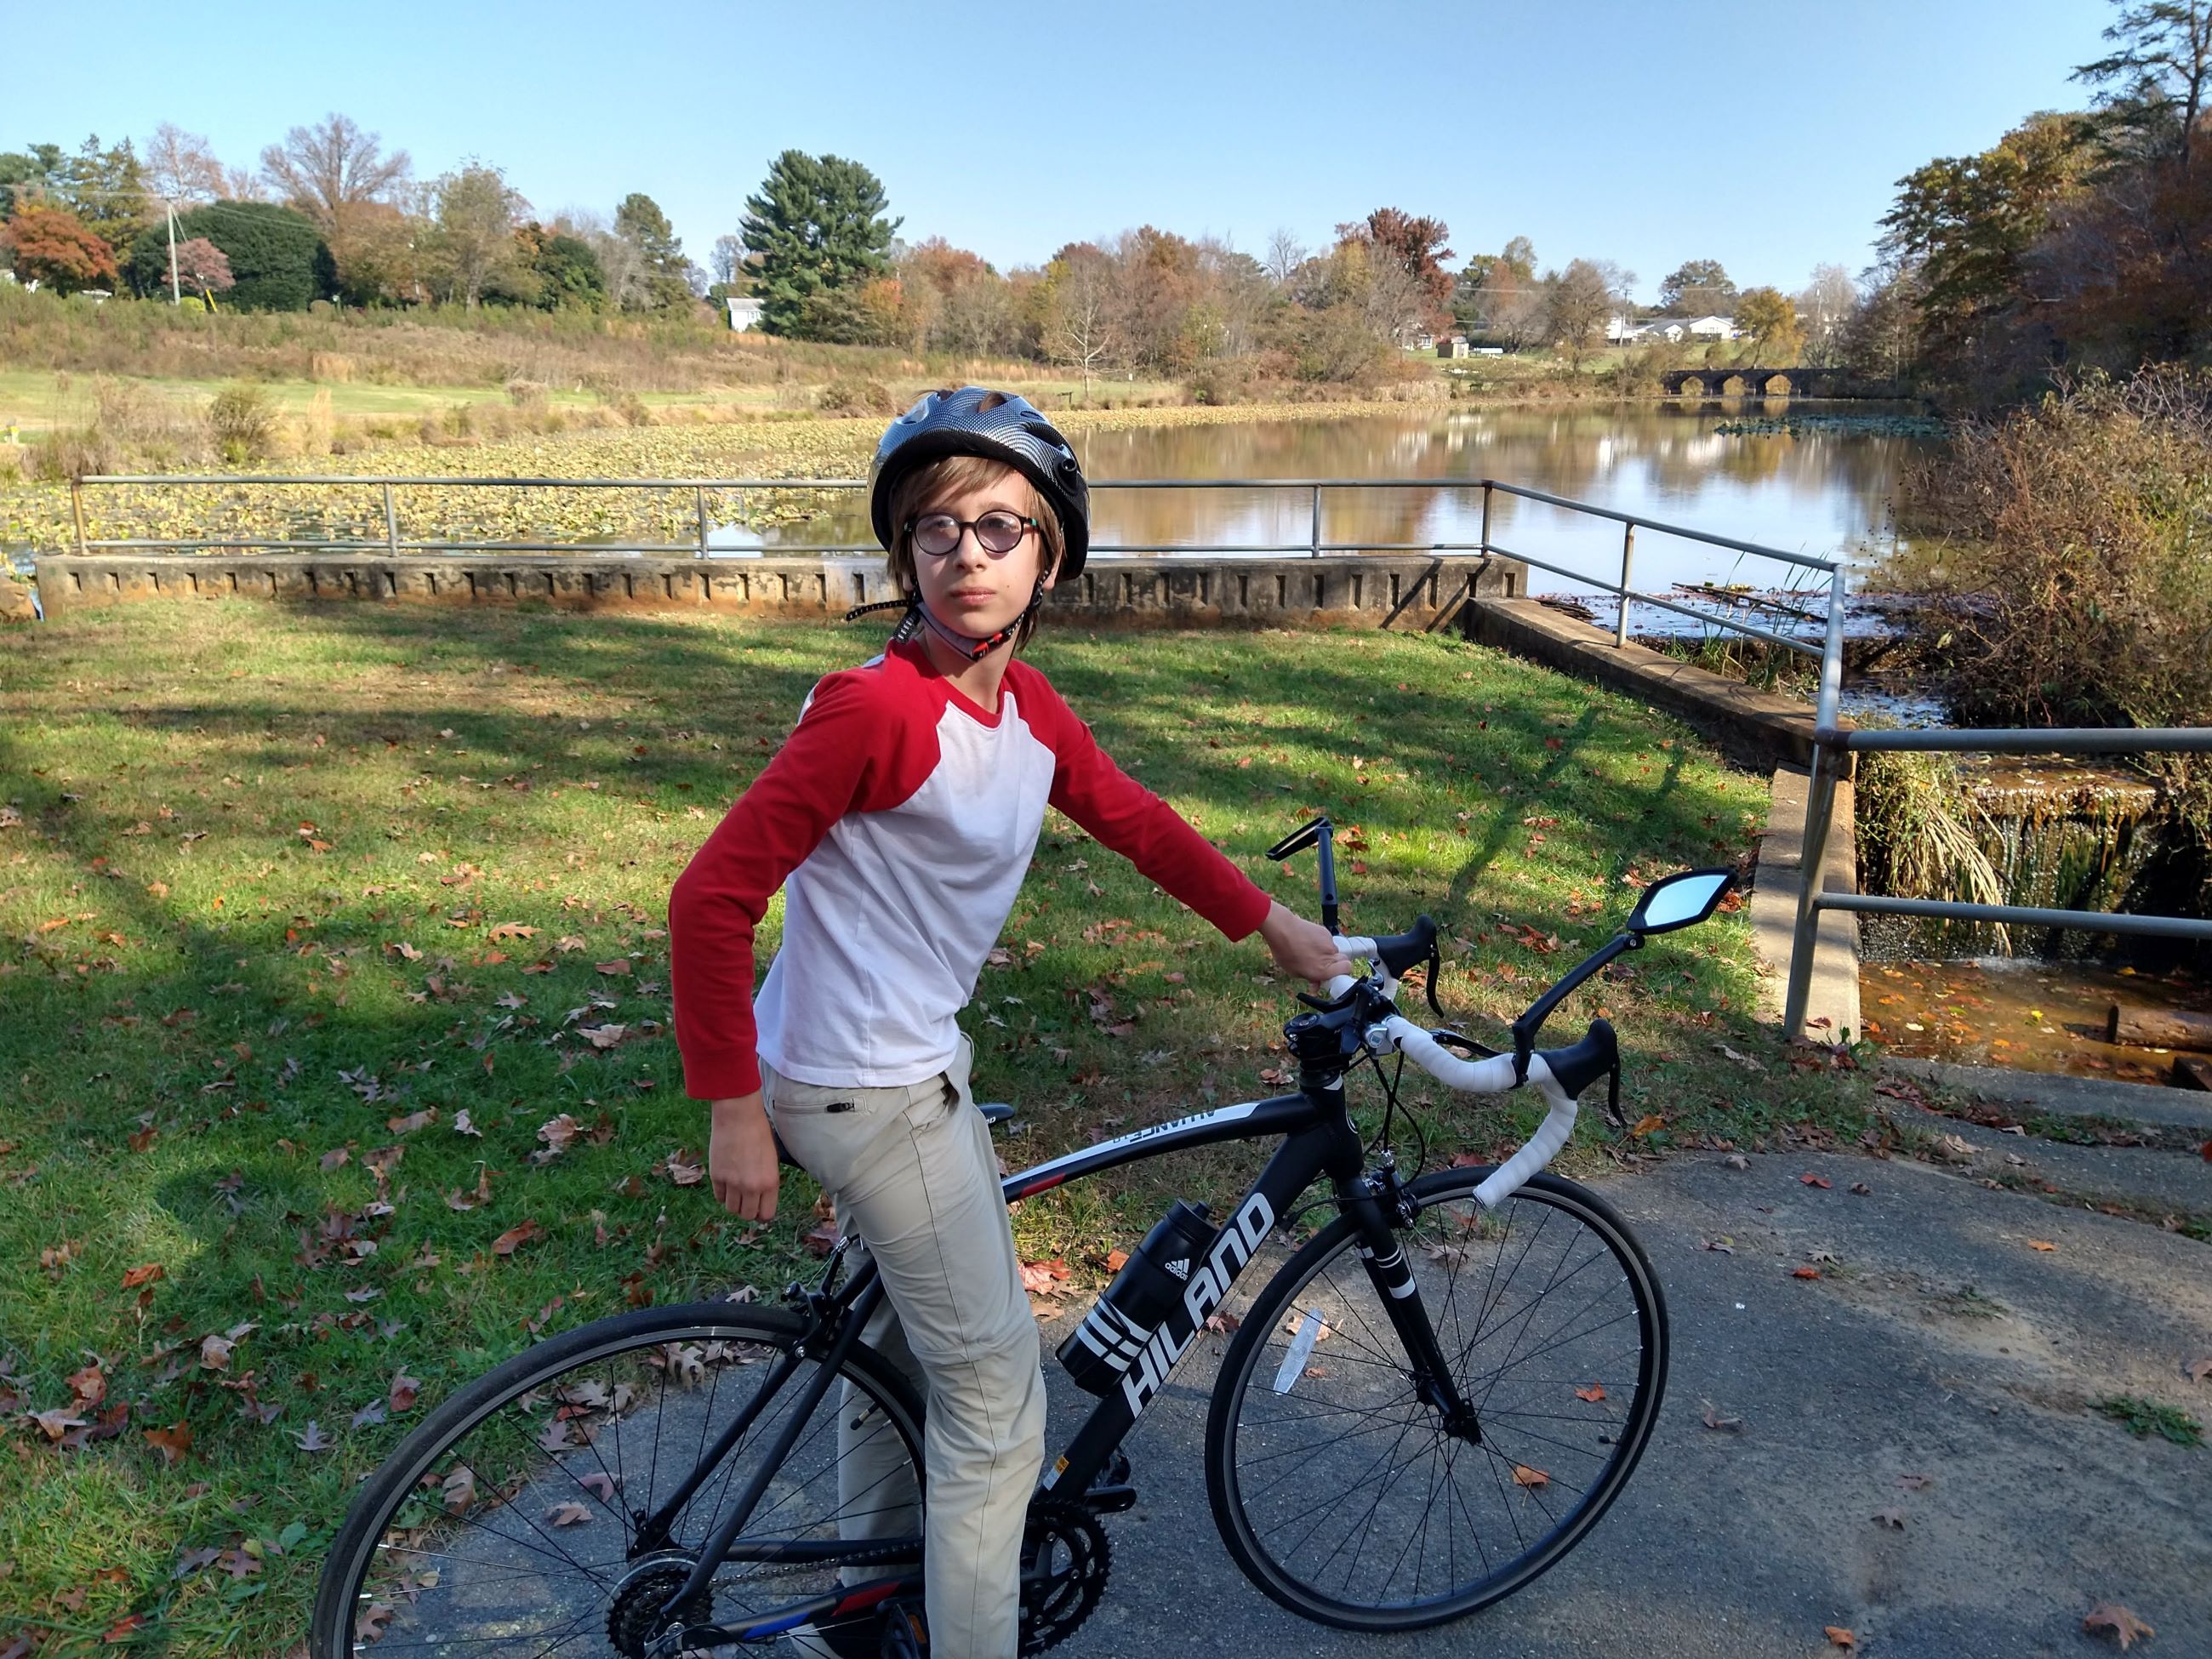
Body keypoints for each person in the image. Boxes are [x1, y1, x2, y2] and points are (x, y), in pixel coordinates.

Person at [669, 386, 1348, 1656]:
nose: (966, 554)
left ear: (1048, 554)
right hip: (863, 1086)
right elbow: (710, 896)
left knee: (895, 1350)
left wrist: (1273, 927)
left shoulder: (1023, 709)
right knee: (995, 1415)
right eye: (935, 528)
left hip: (898, 1062)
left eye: (999, 526)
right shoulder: (874, 710)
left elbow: (1136, 820)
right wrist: (732, 1105)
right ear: (902, 553)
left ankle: (868, 1613)